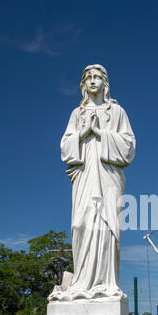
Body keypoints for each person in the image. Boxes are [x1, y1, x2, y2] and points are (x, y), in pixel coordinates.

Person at [49, 64, 135, 302]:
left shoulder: (117, 113)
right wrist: (83, 133)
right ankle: (81, 282)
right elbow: (65, 149)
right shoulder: (77, 114)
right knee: (80, 224)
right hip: (85, 176)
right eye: (89, 78)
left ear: (105, 84)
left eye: (98, 77)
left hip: (108, 177)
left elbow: (128, 148)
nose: (93, 81)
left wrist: (101, 133)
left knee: (106, 228)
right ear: (84, 84)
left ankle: (105, 284)